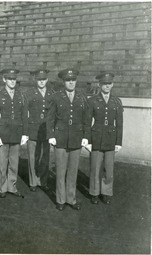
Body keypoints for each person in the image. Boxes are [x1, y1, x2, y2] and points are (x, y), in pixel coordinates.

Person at [47, 68, 90, 211]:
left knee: (73, 171)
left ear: (76, 81)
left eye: (73, 80)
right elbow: (50, 118)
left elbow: (86, 119)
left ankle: (71, 199)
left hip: (76, 138)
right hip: (60, 138)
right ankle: (60, 199)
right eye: (68, 80)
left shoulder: (82, 97)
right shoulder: (56, 97)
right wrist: (51, 135)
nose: (71, 83)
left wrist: (86, 137)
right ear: (64, 82)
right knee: (60, 170)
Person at [86, 72, 123, 205]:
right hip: (96, 137)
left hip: (111, 139)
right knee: (95, 168)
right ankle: (94, 193)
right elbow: (87, 121)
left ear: (112, 84)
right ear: (99, 84)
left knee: (109, 168)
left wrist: (118, 142)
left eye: (109, 83)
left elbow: (119, 124)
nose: (107, 86)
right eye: (104, 83)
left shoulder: (117, 101)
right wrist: (88, 140)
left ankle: (106, 192)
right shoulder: (92, 101)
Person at [0, 69, 29, 198]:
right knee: (2, 162)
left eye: (14, 79)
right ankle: (2, 188)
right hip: (3, 133)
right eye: (9, 79)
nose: (12, 81)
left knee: (14, 162)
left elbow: (24, 116)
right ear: (4, 80)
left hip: (16, 133)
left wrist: (25, 134)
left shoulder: (21, 95)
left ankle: (12, 187)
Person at [25, 68, 55, 192]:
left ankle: (43, 181)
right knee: (33, 156)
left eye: (43, 79)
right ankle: (33, 182)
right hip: (33, 128)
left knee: (45, 156)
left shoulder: (52, 94)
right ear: (35, 80)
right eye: (39, 79)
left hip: (46, 130)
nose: (41, 82)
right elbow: (25, 113)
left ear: (47, 80)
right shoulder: (29, 93)